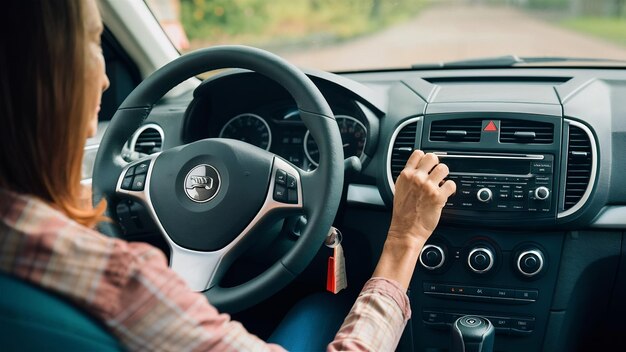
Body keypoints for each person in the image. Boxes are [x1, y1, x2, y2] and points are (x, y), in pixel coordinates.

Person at [0, 1, 456, 351]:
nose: (103, 82)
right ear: (44, 78)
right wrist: (402, 244)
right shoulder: (124, 283)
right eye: (95, 42)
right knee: (322, 306)